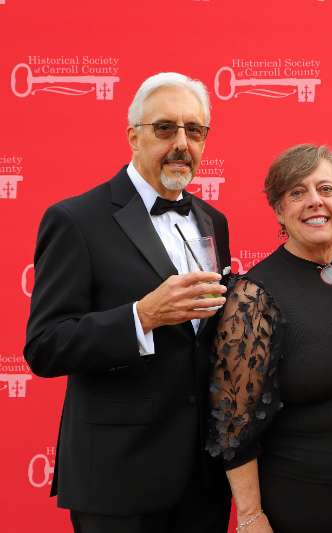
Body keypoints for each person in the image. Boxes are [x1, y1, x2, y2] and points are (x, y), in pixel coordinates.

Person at [24, 72, 232, 533]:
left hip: (202, 480)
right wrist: (143, 317)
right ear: (133, 137)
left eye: (194, 130)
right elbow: (45, 346)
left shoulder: (212, 221)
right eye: (165, 128)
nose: (181, 143)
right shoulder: (76, 219)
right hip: (116, 479)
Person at [206, 144, 332, 533]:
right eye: (297, 192)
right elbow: (232, 423)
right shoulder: (253, 296)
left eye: (326, 189)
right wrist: (250, 516)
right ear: (279, 210)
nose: (315, 201)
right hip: (302, 505)